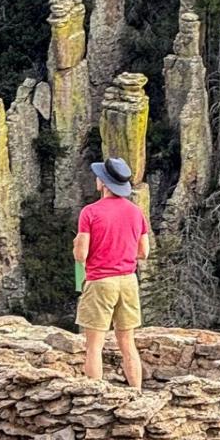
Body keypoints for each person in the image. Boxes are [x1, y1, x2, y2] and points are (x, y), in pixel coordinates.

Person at [73, 156, 151, 389]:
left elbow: (81, 255)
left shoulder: (90, 212)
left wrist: (77, 245)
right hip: (128, 281)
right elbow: (144, 252)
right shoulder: (136, 212)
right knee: (128, 343)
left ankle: (95, 398)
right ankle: (136, 393)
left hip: (100, 282)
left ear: (104, 183)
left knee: (94, 346)